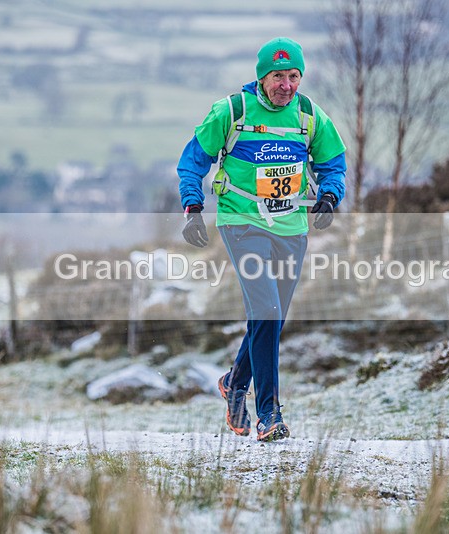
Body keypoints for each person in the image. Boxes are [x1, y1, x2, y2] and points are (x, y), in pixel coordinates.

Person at [177, 37, 346, 442]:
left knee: (271, 317)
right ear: (262, 76)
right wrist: (192, 207)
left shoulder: (310, 116)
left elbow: (333, 165)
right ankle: (269, 413)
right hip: (242, 221)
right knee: (267, 309)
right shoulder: (230, 111)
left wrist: (328, 197)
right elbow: (192, 163)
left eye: (293, 76)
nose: (286, 85)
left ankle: (234, 383)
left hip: (290, 225)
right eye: (278, 76)